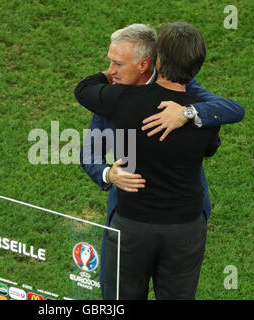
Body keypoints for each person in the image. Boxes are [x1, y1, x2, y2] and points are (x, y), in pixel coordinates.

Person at [79, 23, 244, 298]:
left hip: (167, 224)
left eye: (117, 64)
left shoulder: (182, 91)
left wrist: (188, 113)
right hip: (138, 216)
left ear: (145, 64)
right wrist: (108, 174)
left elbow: (231, 108)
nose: (110, 72)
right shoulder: (111, 95)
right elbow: (89, 153)